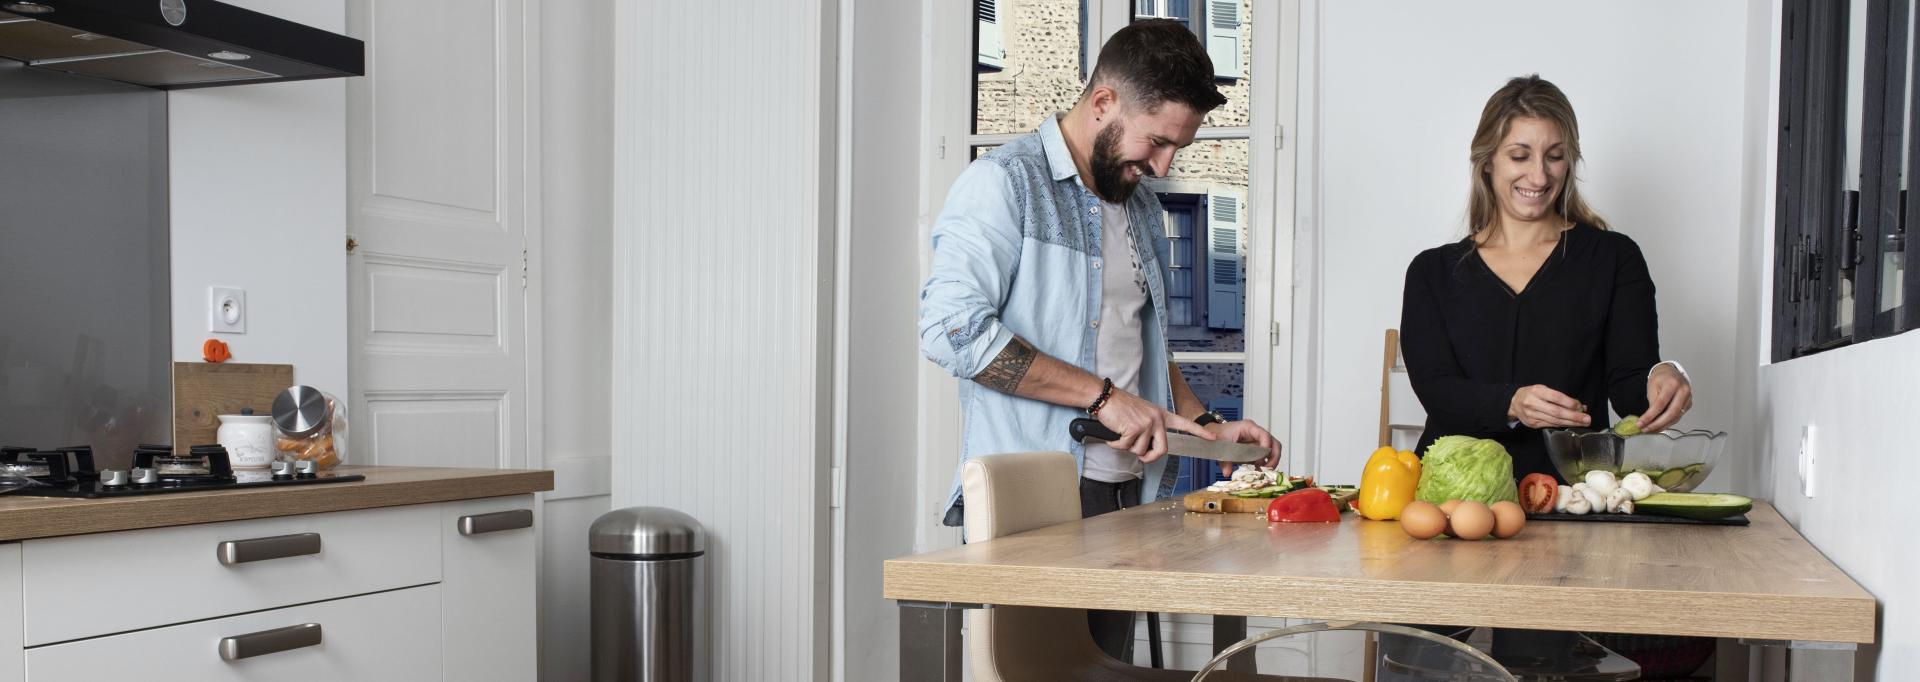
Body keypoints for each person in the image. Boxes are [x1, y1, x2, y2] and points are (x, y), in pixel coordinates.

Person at [918, 19, 1282, 659]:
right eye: (1158, 142)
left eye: (1178, 148)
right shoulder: (1004, 184)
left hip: (1127, 491)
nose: (1164, 165)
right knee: (1035, 673)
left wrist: (1204, 424)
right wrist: (1102, 398)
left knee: (1102, 674)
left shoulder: (1136, 203)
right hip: (1037, 498)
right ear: (1104, 101)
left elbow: (1137, 343)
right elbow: (952, 332)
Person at [1400, 75, 1695, 484]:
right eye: (1520, 156)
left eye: (1554, 156)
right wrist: (1512, 402)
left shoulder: (1614, 258)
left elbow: (1630, 385)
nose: (1538, 177)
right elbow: (1436, 388)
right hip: (1456, 494)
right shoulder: (1431, 272)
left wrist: (1663, 375)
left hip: (1575, 493)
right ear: (1487, 161)